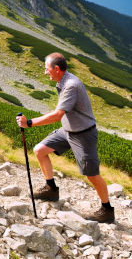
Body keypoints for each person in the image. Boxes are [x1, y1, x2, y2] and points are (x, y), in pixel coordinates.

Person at [16, 52, 114, 223]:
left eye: (47, 69)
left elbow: (57, 115)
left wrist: (29, 123)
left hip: (83, 135)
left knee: (92, 174)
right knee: (39, 150)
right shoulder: (63, 80)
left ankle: (107, 210)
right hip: (68, 130)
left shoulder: (71, 85)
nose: (45, 72)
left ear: (56, 68)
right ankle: (51, 189)